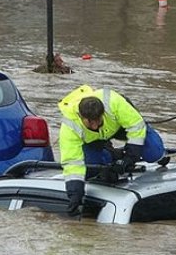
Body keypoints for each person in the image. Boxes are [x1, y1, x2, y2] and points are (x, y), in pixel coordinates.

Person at [57, 85, 166, 215]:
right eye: (90, 122)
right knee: (89, 169)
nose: (95, 125)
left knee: (154, 153)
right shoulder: (69, 127)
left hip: (121, 126)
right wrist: (75, 194)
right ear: (81, 116)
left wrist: (130, 158)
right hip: (95, 141)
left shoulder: (113, 101)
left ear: (103, 112)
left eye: (98, 120)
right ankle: (111, 155)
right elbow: (72, 162)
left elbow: (136, 126)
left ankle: (158, 150)